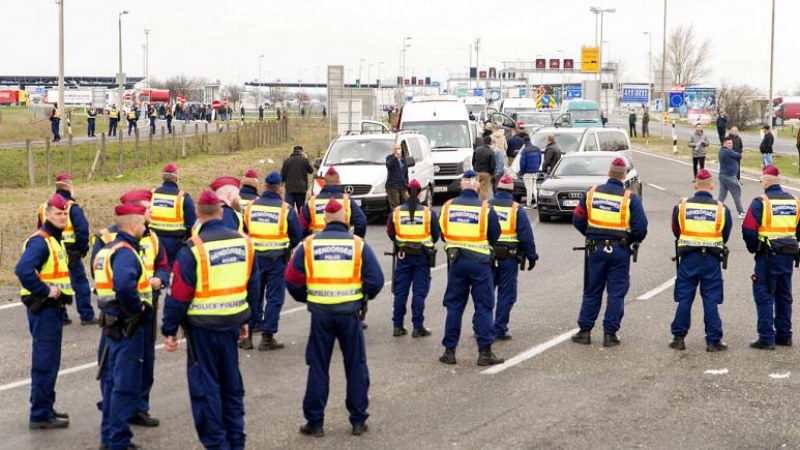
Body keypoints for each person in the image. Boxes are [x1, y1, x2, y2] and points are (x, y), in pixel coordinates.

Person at [162, 190, 259, 449]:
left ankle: (217, 444)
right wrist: (245, 318)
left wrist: (169, 330)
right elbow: (252, 286)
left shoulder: (194, 249)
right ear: (220, 211)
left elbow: (179, 296)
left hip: (201, 332)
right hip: (230, 326)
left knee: (207, 391)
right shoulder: (244, 242)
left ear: (197, 215)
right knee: (231, 388)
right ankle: (236, 442)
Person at [286, 198, 384, 437]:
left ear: (324, 220)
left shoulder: (308, 245)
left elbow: (292, 279)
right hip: (349, 314)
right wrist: (361, 296)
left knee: (318, 367)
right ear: (345, 219)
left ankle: (315, 422)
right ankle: (358, 420)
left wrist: (307, 296)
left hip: (320, 315)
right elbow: (376, 280)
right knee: (356, 366)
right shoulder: (358, 245)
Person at [91, 190, 169, 429]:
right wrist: (131, 302)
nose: (151, 213)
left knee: (145, 362)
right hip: (121, 314)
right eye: (147, 209)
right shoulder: (107, 239)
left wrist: (159, 278)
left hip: (147, 307)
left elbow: (164, 265)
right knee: (114, 366)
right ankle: (114, 411)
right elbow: (98, 269)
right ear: (134, 212)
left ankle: (139, 407)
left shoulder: (152, 237)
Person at [571, 157, 648, 347]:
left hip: (595, 249)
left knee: (592, 290)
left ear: (608, 173)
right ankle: (610, 334)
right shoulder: (630, 198)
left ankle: (585, 331)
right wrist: (631, 240)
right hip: (619, 250)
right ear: (624, 176)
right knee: (616, 292)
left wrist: (591, 234)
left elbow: (578, 219)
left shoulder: (592, 193)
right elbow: (641, 228)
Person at [93, 203, 150, 450]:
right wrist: (136, 308)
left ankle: (109, 438)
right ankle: (119, 441)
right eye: (144, 224)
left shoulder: (107, 249)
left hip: (111, 324)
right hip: (127, 326)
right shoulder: (126, 252)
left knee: (111, 383)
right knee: (125, 386)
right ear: (135, 225)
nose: (146, 227)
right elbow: (125, 285)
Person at [16, 194, 73, 429]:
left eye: (64, 213)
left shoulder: (54, 239)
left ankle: (45, 407)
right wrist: (45, 290)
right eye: (58, 213)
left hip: (52, 310)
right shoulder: (41, 241)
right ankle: (40, 413)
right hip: (44, 309)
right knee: (45, 362)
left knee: (50, 361)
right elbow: (23, 270)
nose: (62, 217)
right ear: (47, 214)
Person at [438, 171, 504, 366]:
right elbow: (494, 234)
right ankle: (485, 353)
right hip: (480, 264)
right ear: (477, 186)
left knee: (454, 306)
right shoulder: (485, 208)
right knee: (483, 306)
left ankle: (449, 352)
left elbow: (443, 234)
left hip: (456, 262)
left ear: (461, 185)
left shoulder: (447, 207)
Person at [669, 169, 732, 352]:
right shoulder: (721, 209)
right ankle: (713, 341)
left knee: (685, 298)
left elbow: (676, 229)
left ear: (695, 185)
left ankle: (679, 338)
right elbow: (725, 234)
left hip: (688, 258)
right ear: (712, 186)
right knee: (711, 299)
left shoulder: (682, 206)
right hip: (711, 259)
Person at [240, 172, 303, 350]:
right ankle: (267, 338)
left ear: (264, 186)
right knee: (274, 298)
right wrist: (285, 246)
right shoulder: (286, 209)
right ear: (280, 188)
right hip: (277, 259)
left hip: (254, 259)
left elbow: (245, 230)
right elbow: (296, 236)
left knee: (253, 295)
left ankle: (248, 336)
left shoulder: (251, 207)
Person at [742, 165, 799, 350]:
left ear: (765, 181)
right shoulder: (795, 201)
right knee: (784, 295)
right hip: (788, 255)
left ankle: (766, 338)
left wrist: (754, 248)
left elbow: (748, 228)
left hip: (766, 256)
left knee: (765, 294)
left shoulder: (761, 202)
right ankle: (784, 335)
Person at [37, 173, 96, 325]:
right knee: (80, 283)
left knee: (57, 282)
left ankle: (61, 316)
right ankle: (86, 315)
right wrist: (82, 250)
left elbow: (40, 230)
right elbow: (82, 230)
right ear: (68, 186)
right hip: (71, 251)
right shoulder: (72, 207)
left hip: (51, 249)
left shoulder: (44, 207)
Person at [386, 180, 441, 337]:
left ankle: (397, 326)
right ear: (421, 193)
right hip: (422, 257)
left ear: (407, 192)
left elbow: (391, 233)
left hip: (403, 256)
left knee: (400, 292)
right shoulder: (428, 213)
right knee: (419, 292)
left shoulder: (395, 213)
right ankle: (418, 327)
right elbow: (435, 235)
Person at [490, 174, 538, 340]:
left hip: (487, 256)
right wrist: (532, 256)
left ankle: (480, 326)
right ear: (512, 191)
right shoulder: (516, 209)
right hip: (508, 258)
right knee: (506, 294)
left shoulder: (485, 206)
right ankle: (499, 329)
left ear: (497, 189)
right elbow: (526, 236)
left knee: (485, 293)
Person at [149, 162, 197, 266]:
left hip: (152, 241)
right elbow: (192, 225)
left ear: (162, 177)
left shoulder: (152, 194)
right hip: (175, 245)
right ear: (176, 178)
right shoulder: (183, 197)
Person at [300, 167, 367, 238]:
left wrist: (307, 240)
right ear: (339, 182)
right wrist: (355, 238)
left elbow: (301, 226)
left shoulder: (312, 201)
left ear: (324, 182)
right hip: (342, 244)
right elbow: (361, 222)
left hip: (317, 244)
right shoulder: (347, 200)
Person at [280, 145, 315, 211]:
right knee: (301, 210)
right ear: (301, 152)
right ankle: (300, 221)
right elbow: (311, 171)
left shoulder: (287, 161)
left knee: (288, 210)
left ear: (293, 152)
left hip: (290, 189)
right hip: (301, 189)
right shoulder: (304, 160)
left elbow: (282, 177)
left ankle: (289, 221)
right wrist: (306, 159)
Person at [718, 136, 745, 218]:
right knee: (736, 194)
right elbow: (739, 156)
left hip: (723, 176)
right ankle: (741, 212)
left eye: (731, 143)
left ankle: (717, 210)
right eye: (729, 143)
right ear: (724, 143)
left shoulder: (721, 151)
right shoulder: (728, 152)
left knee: (722, 195)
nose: (731, 145)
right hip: (729, 177)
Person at [518, 135, 542, 209]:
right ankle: (538, 203)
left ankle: (528, 204)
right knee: (534, 187)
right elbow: (540, 160)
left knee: (528, 188)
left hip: (527, 172)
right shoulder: (537, 149)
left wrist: (522, 172)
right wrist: (537, 168)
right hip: (535, 171)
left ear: (524, 142)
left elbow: (522, 163)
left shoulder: (525, 150)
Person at [472, 135, 496, 201]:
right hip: (486, 173)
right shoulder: (491, 152)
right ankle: (484, 203)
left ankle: (474, 201)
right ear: (490, 142)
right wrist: (491, 173)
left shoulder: (477, 150)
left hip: (477, 172)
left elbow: (473, 161)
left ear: (483, 141)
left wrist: (475, 169)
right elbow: (493, 164)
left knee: (476, 188)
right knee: (483, 189)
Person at [385, 144, 409, 210]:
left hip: (403, 187)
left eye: (399, 148)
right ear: (392, 150)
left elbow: (406, 174)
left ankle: (404, 219)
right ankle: (395, 219)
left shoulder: (403, 160)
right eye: (396, 149)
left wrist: (407, 186)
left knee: (405, 205)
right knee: (395, 207)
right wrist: (395, 157)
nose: (398, 150)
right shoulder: (389, 158)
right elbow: (389, 166)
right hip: (393, 187)